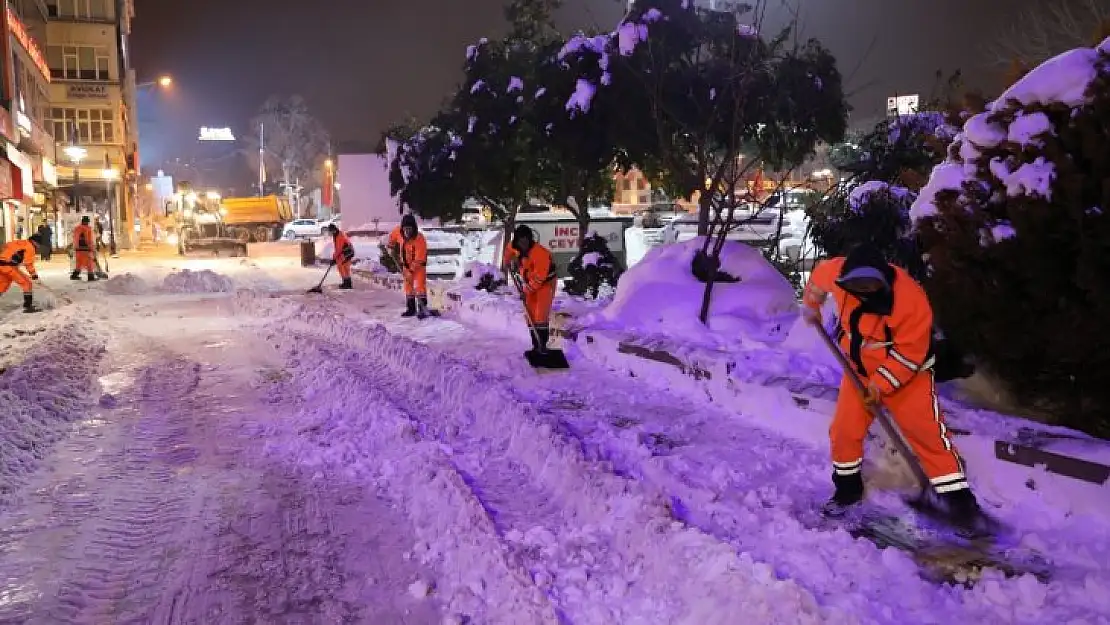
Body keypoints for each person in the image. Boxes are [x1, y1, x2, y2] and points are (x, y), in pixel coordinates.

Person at [802, 243, 979, 523]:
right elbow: (816, 283)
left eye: (871, 286)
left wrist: (880, 386)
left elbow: (910, 353)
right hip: (859, 369)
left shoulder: (909, 298)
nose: (864, 292)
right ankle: (847, 491)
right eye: (857, 286)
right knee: (844, 431)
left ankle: (959, 502)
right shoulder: (834, 272)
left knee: (927, 434)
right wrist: (811, 307)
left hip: (908, 373)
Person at [506, 225, 557, 358]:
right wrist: (506, 261)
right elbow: (509, 249)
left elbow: (540, 278)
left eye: (526, 240)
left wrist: (526, 291)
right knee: (530, 315)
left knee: (540, 316)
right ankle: (536, 346)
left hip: (545, 285)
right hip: (530, 284)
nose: (523, 244)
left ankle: (542, 346)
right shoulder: (516, 247)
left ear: (530, 239)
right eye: (520, 241)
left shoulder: (540, 253)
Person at [391, 214, 429, 317]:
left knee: (419, 286)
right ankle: (411, 308)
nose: (407, 231)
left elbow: (419, 258)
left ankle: (422, 308)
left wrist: (411, 271)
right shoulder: (399, 232)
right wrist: (390, 245)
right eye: (405, 229)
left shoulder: (419, 239)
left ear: (414, 228)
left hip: (418, 266)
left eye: (409, 229)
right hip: (406, 266)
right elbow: (392, 237)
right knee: (408, 288)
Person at [0, 238, 41, 313]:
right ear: (35, 242)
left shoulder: (20, 242)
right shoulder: (30, 247)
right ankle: (28, 307)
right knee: (27, 283)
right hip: (9, 266)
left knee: (2, 286)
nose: (38, 247)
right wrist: (34, 275)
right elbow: (28, 263)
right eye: (39, 245)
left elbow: (6, 245)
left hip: (1, 264)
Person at [326, 223, 355, 290]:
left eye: (330, 231)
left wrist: (334, 259)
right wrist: (334, 258)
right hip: (346, 252)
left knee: (341, 266)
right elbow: (337, 249)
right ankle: (348, 283)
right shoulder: (336, 235)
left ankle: (346, 283)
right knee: (345, 267)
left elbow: (339, 249)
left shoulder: (339, 236)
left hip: (347, 252)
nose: (330, 233)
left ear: (333, 230)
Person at [72, 216, 98, 281]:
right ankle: (90, 276)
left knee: (79, 262)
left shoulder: (77, 228)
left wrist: (75, 246)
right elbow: (88, 240)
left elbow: (75, 238)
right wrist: (92, 248)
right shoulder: (87, 229)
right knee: (89, 262)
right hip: (86, 248)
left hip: (78, 248)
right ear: (87, 222)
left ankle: (74, 275)